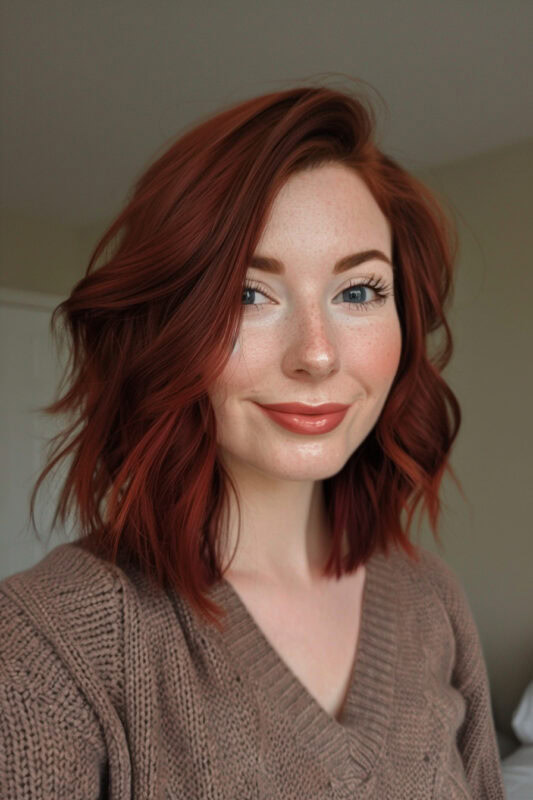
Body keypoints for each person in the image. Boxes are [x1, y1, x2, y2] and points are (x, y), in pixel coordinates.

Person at [0, 82, 506, 798]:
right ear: (167, 329)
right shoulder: (44, 643)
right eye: (248, 293)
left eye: (358, 291)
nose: (317, 355)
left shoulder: (429, 599)